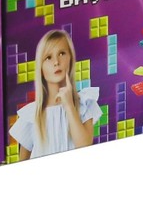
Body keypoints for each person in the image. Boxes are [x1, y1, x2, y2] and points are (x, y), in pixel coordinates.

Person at [9, 30, 101, 160]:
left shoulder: (84, 103)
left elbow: (84, 145)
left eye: (62, 53)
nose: (56, 62)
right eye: (48, 57)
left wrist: (69, 106)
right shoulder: (31, 114)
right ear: (41, 69)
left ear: (70, 59)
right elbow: (22, 162)